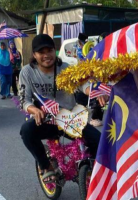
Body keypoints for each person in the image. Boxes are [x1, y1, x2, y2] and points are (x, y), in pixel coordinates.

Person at [19, 34, 101, 184]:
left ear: (54, 51)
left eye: (49, 50)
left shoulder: (66, 68)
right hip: (46, 120)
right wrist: (35, 110)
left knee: (98, 140)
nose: (46, 55)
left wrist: (96, 93)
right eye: (41, 52)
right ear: (34, 55)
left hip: (70, 119)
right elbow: (24, 100)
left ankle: (94, 172)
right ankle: (46, 166)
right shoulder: (27, 72)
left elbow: (83, 85)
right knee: (26, 131)